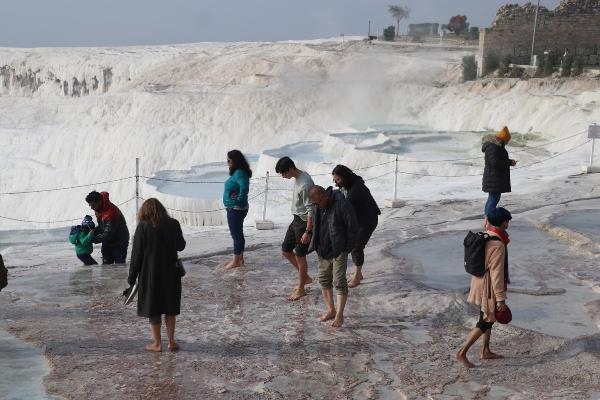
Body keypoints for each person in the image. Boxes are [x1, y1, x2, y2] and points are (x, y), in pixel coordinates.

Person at [127, 198, 186, 352]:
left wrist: (132, 277)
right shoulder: (173, 224)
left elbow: (136, 255)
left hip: (150, 273)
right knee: (170, 306)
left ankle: (157, 344)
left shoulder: (143, 227)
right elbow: (181, 245)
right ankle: (171, 342)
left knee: (153, 307)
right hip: (171, 273)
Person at [456, 207, 512, 368]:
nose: (508, 223)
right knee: (485, 322)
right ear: (503, 222)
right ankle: (462, 352)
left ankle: (486, 350)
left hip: (478, 281)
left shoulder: (486, 234)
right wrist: (501, 299)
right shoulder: (497, 244)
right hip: (489, 287)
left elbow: (487, 220)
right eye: (507, 220)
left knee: (488, 317)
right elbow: (496, 273)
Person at [308, 185, 357, 328]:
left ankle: (339, 315)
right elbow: (317, 226)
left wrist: (347, 248)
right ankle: (331, 309)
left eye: (317, 203)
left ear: (324, 196)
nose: (315, 206)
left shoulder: (342, 204)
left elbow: (353, 227)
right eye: (314, 204)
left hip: (339, 249)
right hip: (323, 250)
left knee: (339, 281)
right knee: (324, 280)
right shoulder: (317, 206)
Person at [332, 164, 380, 288]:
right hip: (358, 219)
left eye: (338, 180)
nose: (336, 183)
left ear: (344, 176)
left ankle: (358, 275)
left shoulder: (356, 189)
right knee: (353, 246)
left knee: (356, 247)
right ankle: (357, 273)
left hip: (367, 220)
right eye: (334, 180)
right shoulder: (349, 182)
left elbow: (345, 206)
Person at [275, 156, 314, 301]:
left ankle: (301, 288)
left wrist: (308, 231)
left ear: (291, 169)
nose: (283, 176)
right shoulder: (299, 177)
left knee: (300, 255)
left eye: (283, 173)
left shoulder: (305, 183)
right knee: (286, 250)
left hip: (304, 222)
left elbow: (311, 209)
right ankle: (306, 278)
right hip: (296, 219)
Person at [223, 149, 252, 270]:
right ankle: (240, 259)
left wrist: (238, 201)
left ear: (235, 161)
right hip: (236, 208)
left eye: (229, 160)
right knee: (238, 234)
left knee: (236, 235)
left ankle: (236, 261)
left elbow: (244, 188)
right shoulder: (239, 172)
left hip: (236, 209)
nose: (227, 163)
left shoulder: (240, 173)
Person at [482, 126, 516, 223]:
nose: (507, 142)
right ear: (503, 138)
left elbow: (497, 161)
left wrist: (509, 162)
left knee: (492, 198)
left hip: (494, 177)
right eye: (507, 140)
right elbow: (495, 162)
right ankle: (489, 220)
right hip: (494, 178)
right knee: (493, 199)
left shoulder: (495, 146)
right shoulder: (494, 147)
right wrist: (509, 162)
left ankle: (487, 219)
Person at [85, 191, 130, 264]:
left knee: (119, 266)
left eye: (93, 205)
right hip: (107, 241)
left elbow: (108, 233)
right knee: (106, 266)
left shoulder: (111, 212)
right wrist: (90, 232)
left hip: (119, 242)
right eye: (90, 206)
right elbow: (101, 226)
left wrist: (92, 239)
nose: (91, 208)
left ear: (99, 202)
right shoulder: (98, 209)